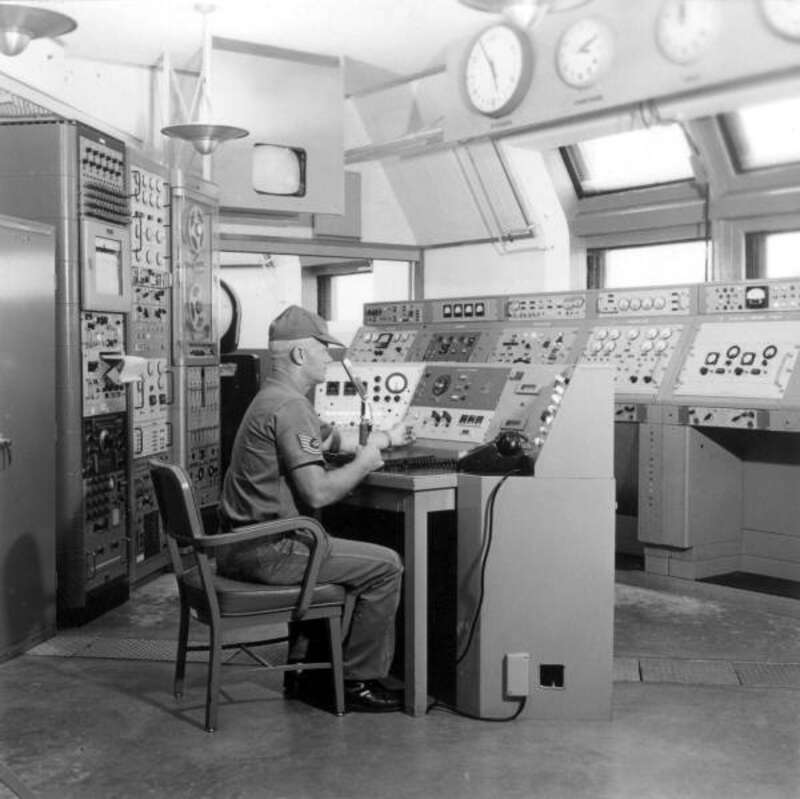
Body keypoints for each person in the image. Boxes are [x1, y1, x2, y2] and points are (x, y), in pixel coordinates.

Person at [217, 305, 414, 713]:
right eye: (323, 349)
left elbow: (325, 441)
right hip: (270, 551)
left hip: (243, 545)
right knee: (386, 565)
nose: (329, 357)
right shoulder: (289, 407)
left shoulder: (273, 398)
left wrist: (387, 438)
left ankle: (307, 672)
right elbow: (318, 493)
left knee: (348, 547)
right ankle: (358, 681)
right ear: (299, 355)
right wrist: (365, 462)